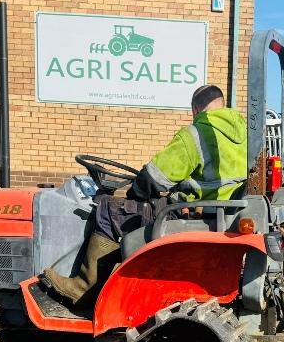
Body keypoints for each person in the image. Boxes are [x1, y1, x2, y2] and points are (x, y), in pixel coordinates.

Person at [42, 84, 248, 306]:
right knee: (128, 210)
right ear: (222, 104)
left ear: (195, 109)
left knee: (109, 210)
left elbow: (154, 177)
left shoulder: (198, 133)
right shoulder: (244, 132)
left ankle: (83, 288)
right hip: (215, 213)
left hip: (189, 216)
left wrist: (135, 192)